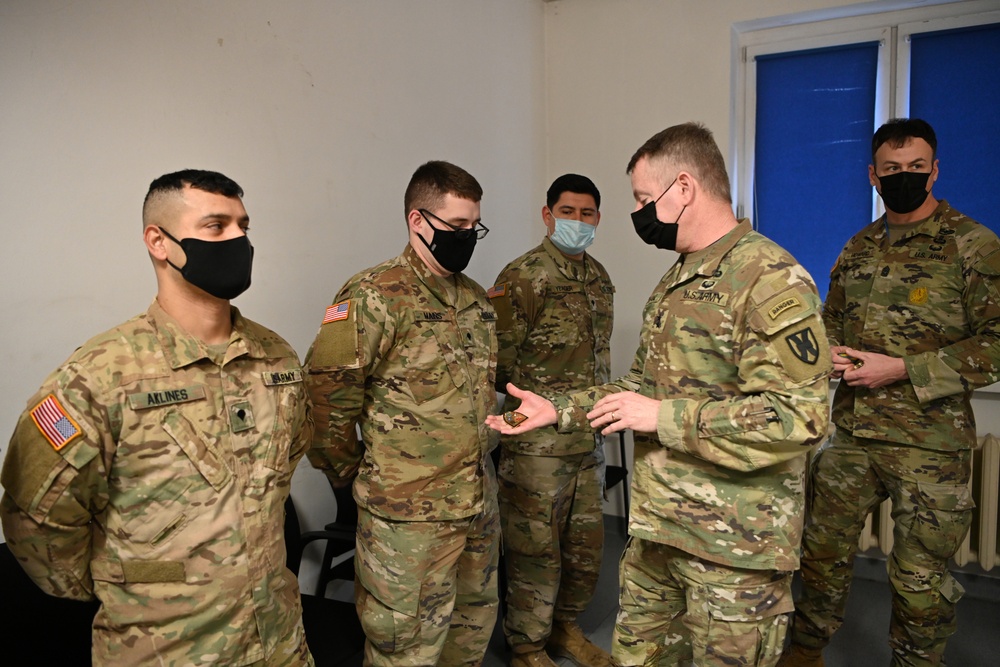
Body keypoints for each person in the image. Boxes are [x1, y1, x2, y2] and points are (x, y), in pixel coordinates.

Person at [486, 122, 832, 666]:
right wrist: (561, 408)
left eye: (646, 198)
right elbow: (641, 387)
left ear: (685, 188)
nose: (640, 212)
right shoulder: (679, 278)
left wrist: (664, 418)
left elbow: (799, 417)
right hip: (659, 534)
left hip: (731, 550)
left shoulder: (769, 278)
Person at [0, 170, 314, 665]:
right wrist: (129, 585)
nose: (238, 239)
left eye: (243, 226)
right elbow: (35, 522)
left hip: (280, 642)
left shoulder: (277, 359)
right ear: (159, 242)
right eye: (215, 226)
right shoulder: (101, 374)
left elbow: (284, 468)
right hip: (165, 649)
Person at [780, 119, 1000, 667]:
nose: (904, 177)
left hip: (931, 446)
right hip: (852, 435)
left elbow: (996, 344)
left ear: (935, 170)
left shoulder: (972, 245)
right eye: (892, 169)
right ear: (873, 176)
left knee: (918, 580)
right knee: (820, 553)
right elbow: (831, 321)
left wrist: (903, 369)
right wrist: (825, 355)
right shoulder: (859, 246)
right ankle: (806, 652)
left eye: (916, 168)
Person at [304, 161, 500, 666]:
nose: (467, 238)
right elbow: (325, 402)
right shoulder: (372, 295)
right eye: (455, 227)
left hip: (477, 504)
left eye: (473, 227)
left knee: (471, 630)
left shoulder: (475, 300)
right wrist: (350, 475)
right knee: (404, 650)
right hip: (408, 521)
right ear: (418, 222)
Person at [488, 174, 614, 667]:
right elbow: (498, 364)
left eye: (586, 214)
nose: (577, 222)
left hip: (587, 440)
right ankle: (527, 646)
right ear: (547, 215)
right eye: (567, 212)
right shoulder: (522, 277)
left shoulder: (599, 278)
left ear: (597, 219)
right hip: (535, 448)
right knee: (535, 554)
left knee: (584, 550)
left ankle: (566, 629)